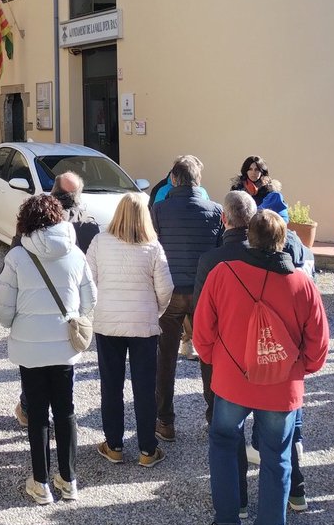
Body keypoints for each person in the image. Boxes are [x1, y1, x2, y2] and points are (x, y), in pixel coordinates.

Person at [193, 210, 329, 525]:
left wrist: (217, 361)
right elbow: (318, 345)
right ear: (284, 240)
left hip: (232, 380)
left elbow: (202, 331)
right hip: (281, 385)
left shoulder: (223, 273)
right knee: (277, 457)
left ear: (248, 237)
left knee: (224, 444)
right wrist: (297, 369)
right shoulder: (302, 284)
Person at [0, 194, 96, 505]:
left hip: (30, 347)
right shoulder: (75, 253)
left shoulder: (18, 257)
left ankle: (41, 483)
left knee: (37, 414)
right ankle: (69, 479)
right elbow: (90, 301)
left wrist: (17, 322)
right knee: (66, 411)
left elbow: (2, 309)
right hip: (64, 345)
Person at [87, 192, 173, 468]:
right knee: (145, 387)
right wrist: (155, 311)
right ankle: (147, 448)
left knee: (111, 385)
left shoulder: (100, 242)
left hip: (108, 323)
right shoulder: (153, 246)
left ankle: (114, 445)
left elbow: (88, 281)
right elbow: (166, 288)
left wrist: (102, 305)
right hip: (143, 324)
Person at [13, 172, 100, 428]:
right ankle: (63, 417)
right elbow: (92, 272)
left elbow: (15, 257)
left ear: (53, 191)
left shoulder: (33, 222)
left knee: (33, 362)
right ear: (78, 195)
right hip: (70, 306)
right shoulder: (88, 225)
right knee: (66, 363)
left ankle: (30, 410)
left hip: (33, 303)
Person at [151, 155, 222, 440]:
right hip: (203, 291)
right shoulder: (215, 210)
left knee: (166, 357)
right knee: (208, 355)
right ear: (198, 181)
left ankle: (165, 421)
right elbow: (218, 252)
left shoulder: (159, 210)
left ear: (173, 179)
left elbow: (153, 248)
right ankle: (214, 418)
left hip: (170, 290)